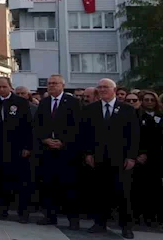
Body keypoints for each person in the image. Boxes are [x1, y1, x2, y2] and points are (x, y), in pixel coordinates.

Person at [81, 78, 139, 239]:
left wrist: (131, 157)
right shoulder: (90, 109)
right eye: (99, 87)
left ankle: (126, 227)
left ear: (114, 89)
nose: (102, 90)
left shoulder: (127, 109)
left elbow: (134, 135)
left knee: (123, 195)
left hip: (120, 159)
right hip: (98, 158)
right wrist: (88, 154)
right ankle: (100, 223)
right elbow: (85, 134)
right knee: (99, 193)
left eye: (105, 87)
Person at [34, 74, 81, 230]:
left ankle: (73, 220)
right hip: (47, 150)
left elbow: (77, 126)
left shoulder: (73, 102)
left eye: (55, 83)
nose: (51, 86)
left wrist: (64, 141)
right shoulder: (44, 103)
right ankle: (50, 216)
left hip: (66, 152)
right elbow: (37, 125)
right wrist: (45, 139)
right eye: (49, 83)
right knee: (48, 185)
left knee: (69, 187)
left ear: (62, 85)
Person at [0, 77, 33, 223]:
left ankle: (23, 213)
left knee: (21, 182)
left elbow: (28, 126)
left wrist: (27, 147)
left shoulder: (21, 103)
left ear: (10, 87)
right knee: (1, 181)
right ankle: (2, 210)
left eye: (4, 87)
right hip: (0, 148)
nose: (1, 90)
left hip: (18, 148)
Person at [133, 90, 162, 226]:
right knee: (139, 188)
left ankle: (151, 216)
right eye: (147, 99)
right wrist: (140, 153)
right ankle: (138, 215)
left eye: (152, 100)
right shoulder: (137, 116)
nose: (149, 102)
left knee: (154, 188)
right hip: (141, 157)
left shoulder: (160, 116)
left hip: (157, 158)